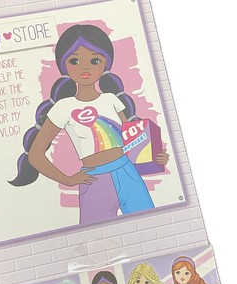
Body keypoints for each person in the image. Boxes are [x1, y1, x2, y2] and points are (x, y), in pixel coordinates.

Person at [9, 24, 169, 224]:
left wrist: (155, 157)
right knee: (98, 236)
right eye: (74, 61)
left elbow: (132, 139)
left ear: (105, 64)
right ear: (64, 66)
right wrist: (67, 179)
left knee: (149, 225)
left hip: (128, 172)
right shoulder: (63, 107)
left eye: (94, 61)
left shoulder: (111, 99)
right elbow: (35, 154)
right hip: (94, 179)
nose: (85, 68)